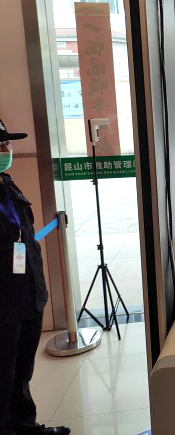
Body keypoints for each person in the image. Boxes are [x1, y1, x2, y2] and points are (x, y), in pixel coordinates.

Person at [0, 118, 70, 435]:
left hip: (28, 296)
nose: (6, 150)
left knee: (20, 372)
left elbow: (24, 237)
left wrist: (37, 293)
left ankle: (25, 427)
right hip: (4, 303)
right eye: (0, 145)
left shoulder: (7, 184)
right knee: (3, 373)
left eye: (6, 143)